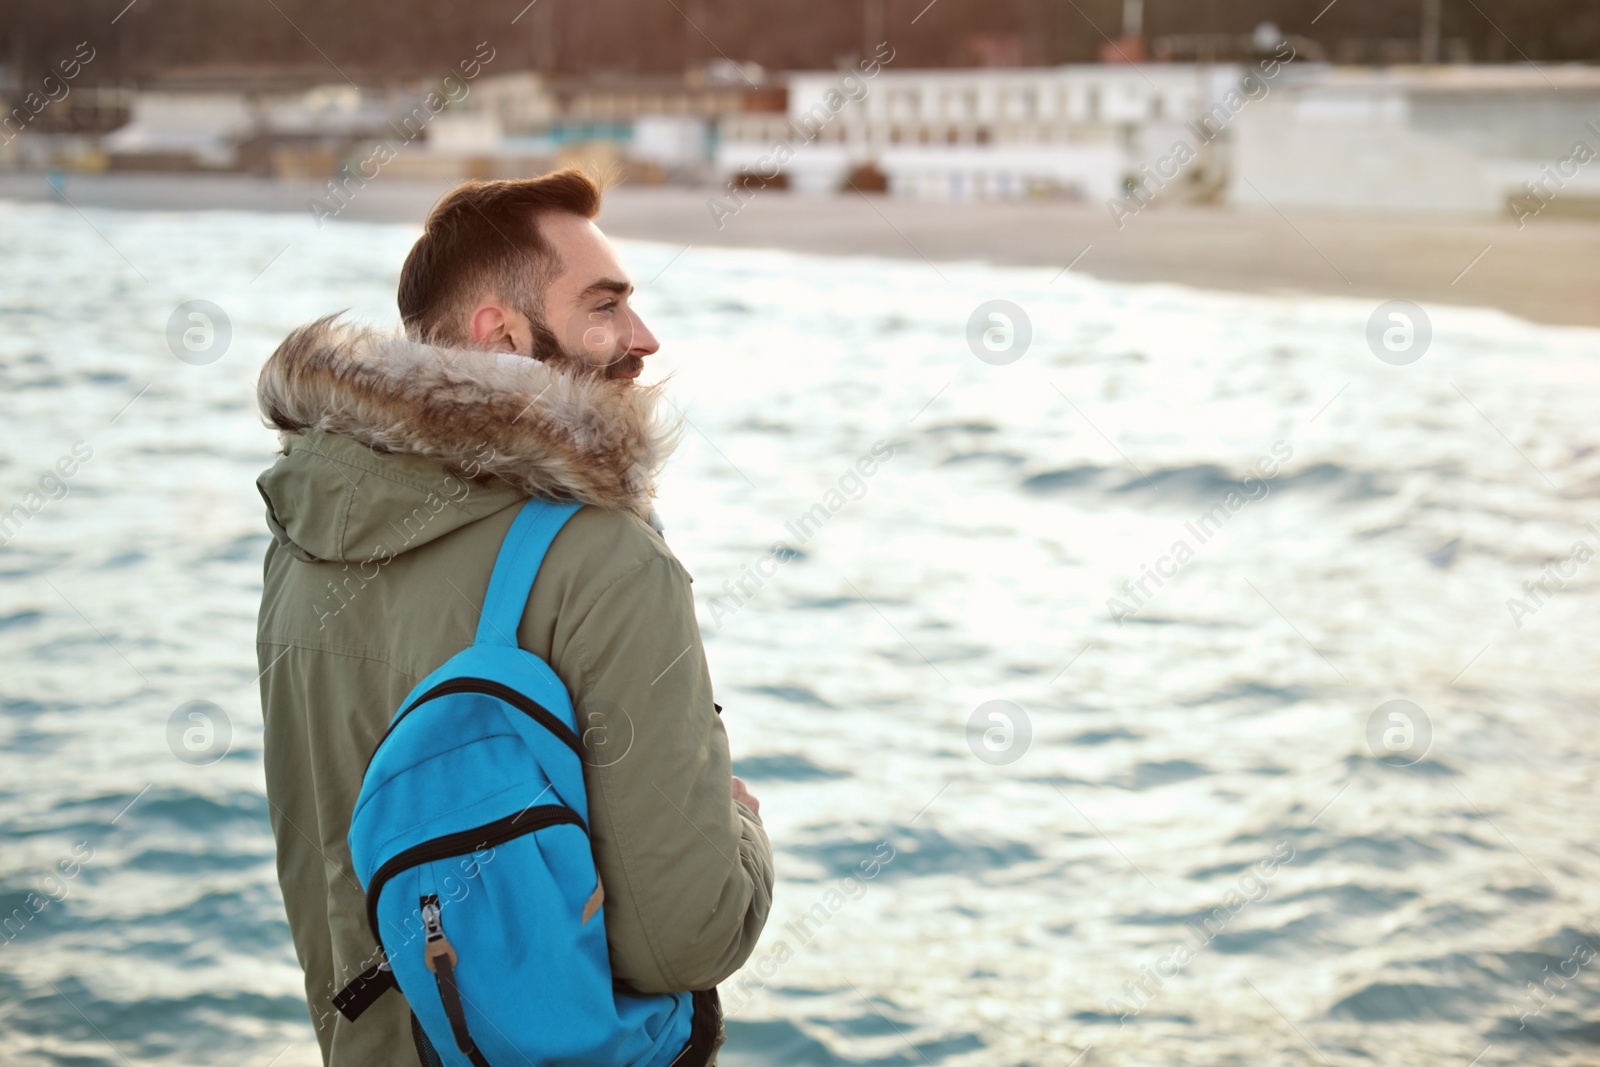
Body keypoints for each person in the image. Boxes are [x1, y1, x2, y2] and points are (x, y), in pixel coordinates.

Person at [254, 168, 773, 1065]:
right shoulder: (605, 558)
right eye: (605, 305)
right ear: (501, 333)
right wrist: (743, 830)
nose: (643, 339)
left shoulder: (299, 539)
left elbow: (323, 866)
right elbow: (685, 938)